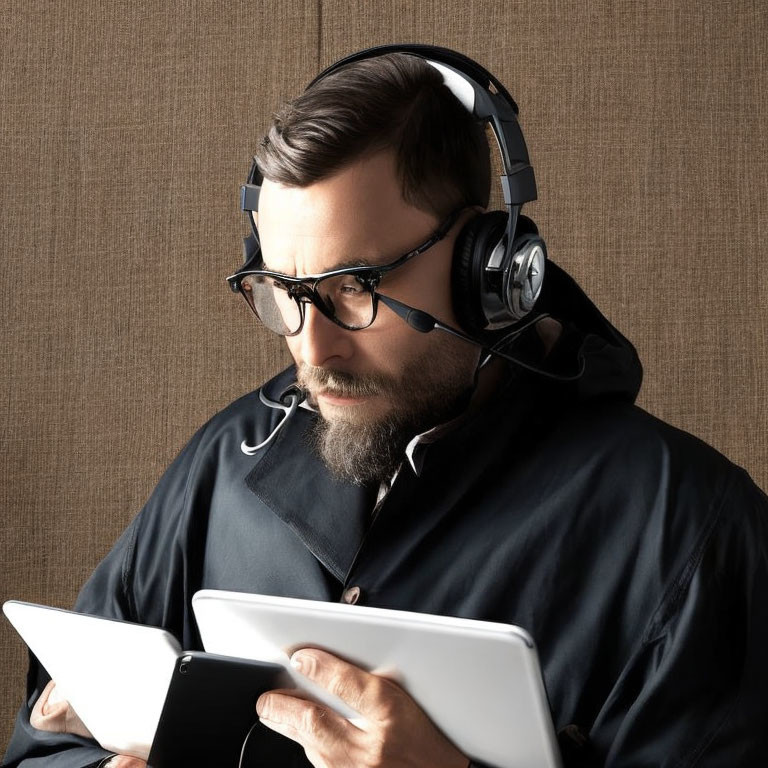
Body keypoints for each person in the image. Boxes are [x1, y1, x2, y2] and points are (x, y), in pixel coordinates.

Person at [5, 44, 768, 768]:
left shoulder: (691, 528)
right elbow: (43, 739)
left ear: (491, 271)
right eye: (285, 294)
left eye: (354, 289)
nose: (312, 350)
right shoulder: (227, 462)